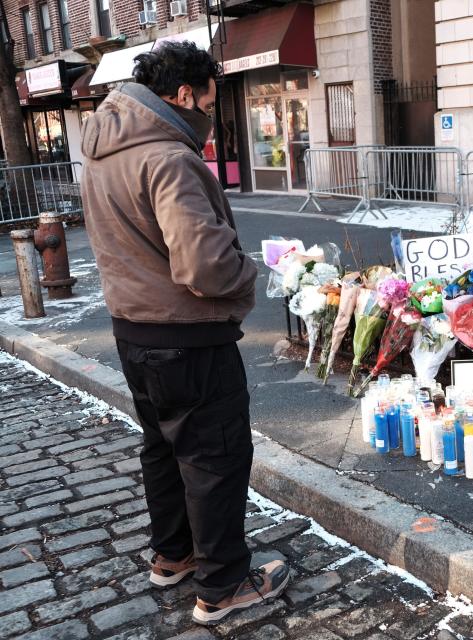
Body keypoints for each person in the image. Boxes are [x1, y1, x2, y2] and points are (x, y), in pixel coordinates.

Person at [80, 41, 289, 626]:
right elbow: (203, 266)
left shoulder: (103, 149)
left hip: (133, 330)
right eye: (208, 100)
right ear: (183, 95)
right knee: (214, 459)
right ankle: (222, 586)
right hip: (188, 336)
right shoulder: (168, 158)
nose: (210, 112)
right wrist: (250, 268)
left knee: (164, 450)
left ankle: (173, 556)